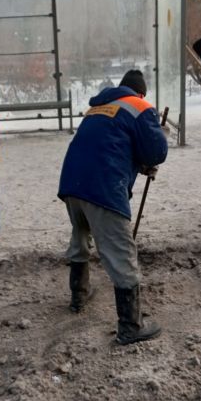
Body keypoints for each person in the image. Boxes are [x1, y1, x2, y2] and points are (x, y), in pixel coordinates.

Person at [58, 69, 168, 345]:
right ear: (141, 92)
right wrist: (158, 136)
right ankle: (130, 326)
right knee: (121, 252)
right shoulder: (140, 106)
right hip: (103, 188)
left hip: (72, 183)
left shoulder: (98, 108)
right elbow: (156, 152)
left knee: (80, 237)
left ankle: (78, 296)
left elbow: (110, 145)